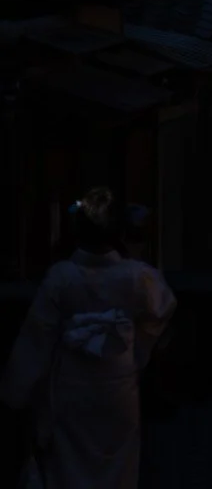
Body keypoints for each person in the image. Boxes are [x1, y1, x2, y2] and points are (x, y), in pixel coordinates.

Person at [0, 188, 176, 489]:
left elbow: (35, 343)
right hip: (118, 393)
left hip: (73, 393)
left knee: (68, 473)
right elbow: (162, 310)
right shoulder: (136, 277)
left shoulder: (62, 278)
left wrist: (14, 394)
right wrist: (136, 354)